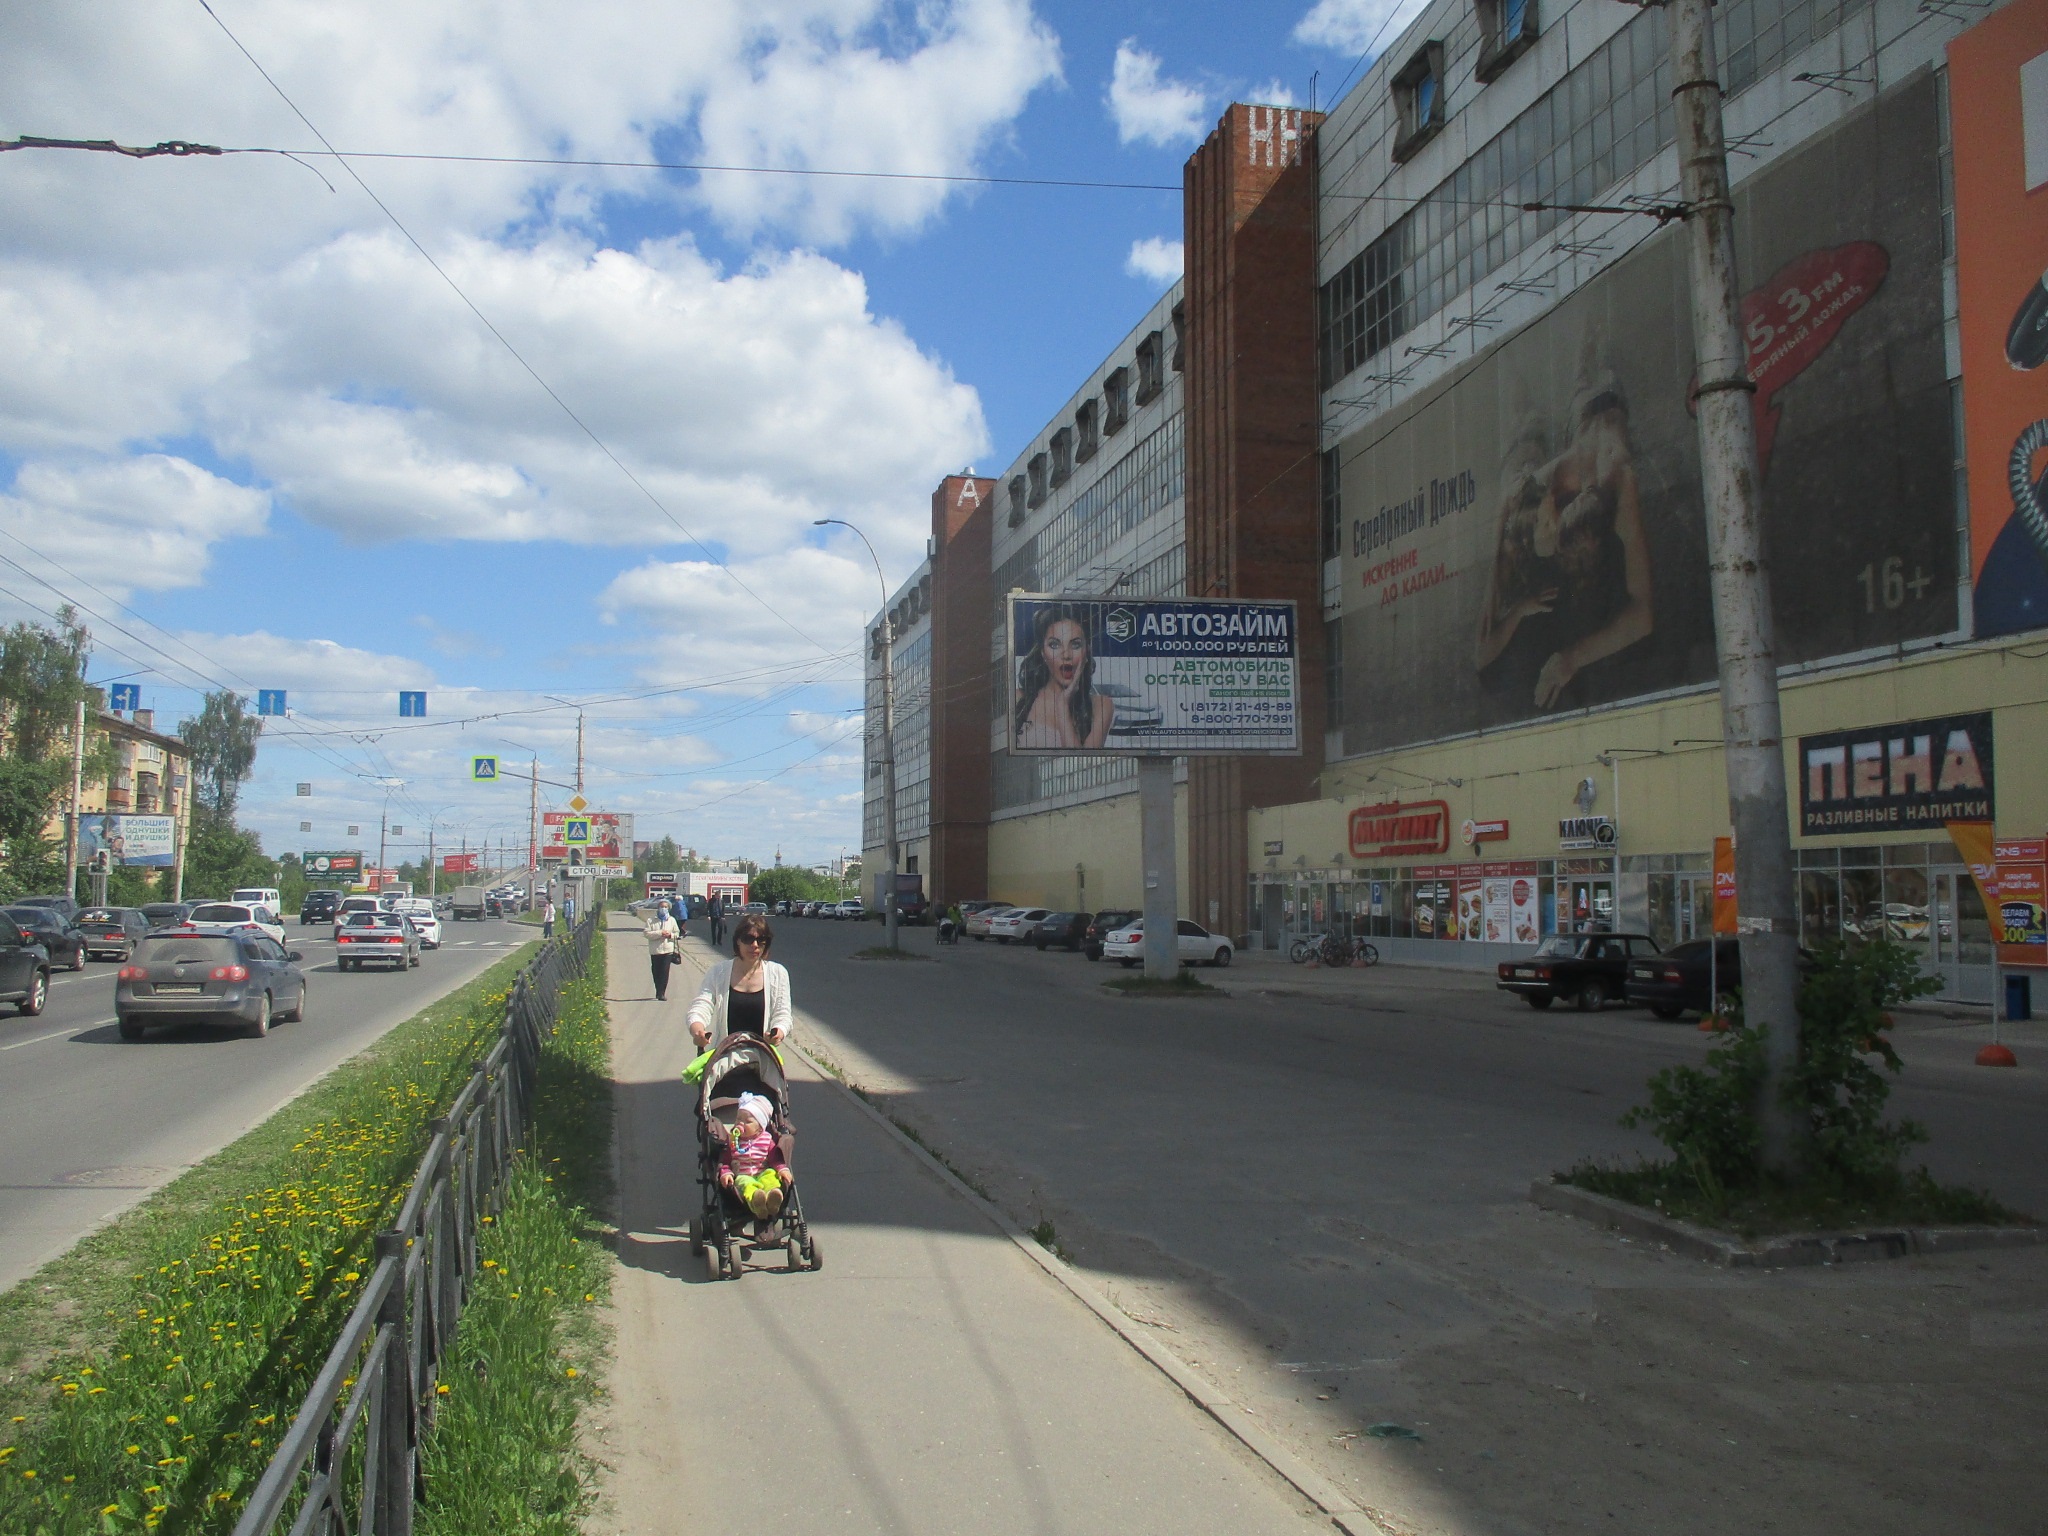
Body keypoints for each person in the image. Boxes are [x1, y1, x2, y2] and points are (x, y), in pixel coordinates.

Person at [1013, 602, 1115, 749]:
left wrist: (1062, 706)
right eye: (1054, 645)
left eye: (1075, 645)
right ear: (1042, 652)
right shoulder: (1019, 700)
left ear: (1086, 651)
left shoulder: (1101, 706)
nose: (1066, 655)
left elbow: (1082, 762)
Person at [687, 914, 791, 1051]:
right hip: (725, 1058)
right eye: (748, 939)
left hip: (762, 1059)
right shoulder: (718, 972)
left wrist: (778, 1032)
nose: (754, 945)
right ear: (738, 941)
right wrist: (698, 1030)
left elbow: (783, 1014)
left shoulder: (778, 973)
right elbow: (701, 1006)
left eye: (760, 940)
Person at [716, 1091, 791, 1220]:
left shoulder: (767, 1139)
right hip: (743, 1175)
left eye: (747, 1121)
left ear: (760, 1127)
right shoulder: (733, 1141)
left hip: (762, 1172)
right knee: (745, 1183)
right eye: (738, 1119)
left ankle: (773, 1198)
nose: (741, 1123)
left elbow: (775, 1158)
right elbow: (725, 1161)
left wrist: (782, 1169)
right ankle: (757, 1202)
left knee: (771, 1176)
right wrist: (726, 1173)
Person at [645, 899, 681, 1001]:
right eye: (662, 907)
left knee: (665, 972)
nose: (663, 909)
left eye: (665, 907)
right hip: (655, 950)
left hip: (667, 950)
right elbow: (646, 933)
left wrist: (670, 935)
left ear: (668, 908)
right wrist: (660, 933)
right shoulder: (651, 920)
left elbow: (677, 933)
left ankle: (662, 993)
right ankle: (658, 990)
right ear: (658, 908)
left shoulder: (672, 920)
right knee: (656, 971)